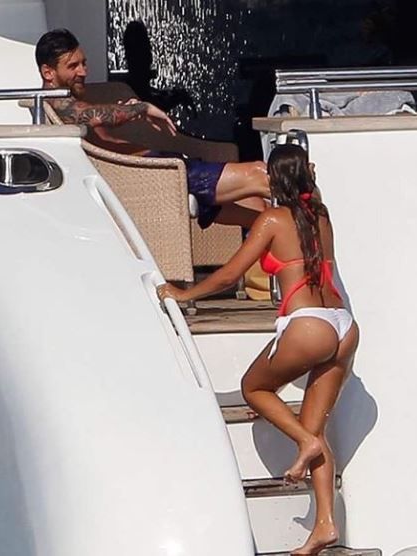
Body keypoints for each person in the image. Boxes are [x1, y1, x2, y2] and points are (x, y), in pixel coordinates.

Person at [158, 144, 359, 555]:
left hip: (308, 324)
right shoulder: (321, 216)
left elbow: (229, 275)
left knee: (254, 388)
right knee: (315, 426)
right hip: (343, 325)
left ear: (275, 179)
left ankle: (303, 442)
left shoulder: (272, 219)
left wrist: (183, 293)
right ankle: (324, 525)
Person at [35, 28, 269, 230]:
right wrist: (142, 108)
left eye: (83, 63)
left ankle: (278, 256)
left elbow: (96, 123)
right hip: (154, 177)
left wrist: (125, 112)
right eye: (73, 66)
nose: (83, 72)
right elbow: (92, 116)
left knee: (258, 208)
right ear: (48, 72)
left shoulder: (66, 103)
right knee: (260, 173)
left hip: (158, 169)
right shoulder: (57, 103)